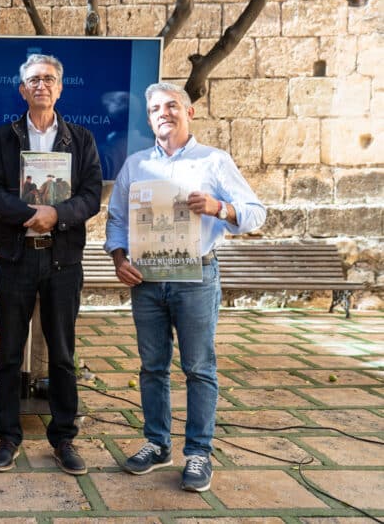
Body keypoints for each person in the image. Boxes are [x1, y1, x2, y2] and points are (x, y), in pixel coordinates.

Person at [104, 82, 266, 492]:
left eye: (172, 106)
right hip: (147, 281)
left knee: (198, 368)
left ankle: (198, 454)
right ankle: (157, 445)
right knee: (152, 367)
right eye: (156, 108)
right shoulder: (136, 165)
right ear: (149, 117)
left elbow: (256, 213)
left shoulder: (214, 161)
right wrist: (119, 258)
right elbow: (117, 220)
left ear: (189, 112)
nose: (164, 113)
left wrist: (219, 208)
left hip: (195, 277)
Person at [0, 54, 102, 475]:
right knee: (10, 354)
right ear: (22, 89)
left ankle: (64, 438)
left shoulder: (80, 139)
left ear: (60, 87)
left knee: (63, 355)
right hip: (16, 257)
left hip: (62, 259)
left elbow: (90, 195)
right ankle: (8, 437)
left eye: (49, 79)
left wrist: (59, 215)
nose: (41, 85)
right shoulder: (3, 137)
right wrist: (27, 213)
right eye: (33, 80)